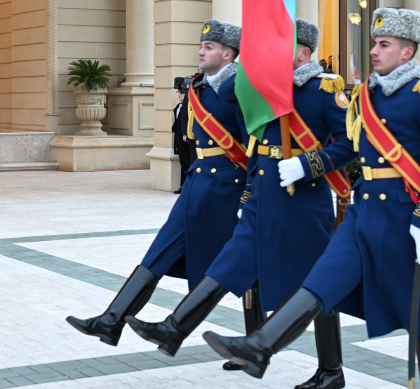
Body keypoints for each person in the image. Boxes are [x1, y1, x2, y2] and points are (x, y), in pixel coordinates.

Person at [203, 8, 420, 387]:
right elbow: (348, 148)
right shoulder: (365, 95)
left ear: (407, 53)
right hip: (364, 211)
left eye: (384, 44)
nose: (374, 51)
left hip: (405, 214)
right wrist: (308, 164)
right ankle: (261, 345)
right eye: (375, 43)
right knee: (322, 279)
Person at [127, 19, 356, 389]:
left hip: (303, 202)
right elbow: (243, 119)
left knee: (317, 285)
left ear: (303, 52)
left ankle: (331, 370)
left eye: (282, 45)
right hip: (262, 197)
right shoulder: (266, 88)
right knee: (227, 264)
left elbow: (350, 143)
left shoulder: (324, 90)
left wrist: (308, 164)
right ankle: (173, 329)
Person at [66, 20, 250, 348]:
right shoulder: (199, 85)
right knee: (159, 251)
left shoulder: (240, 88)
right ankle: (112, 321)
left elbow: (255, 145)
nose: (200, 51)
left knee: (242, 268)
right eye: (202, 45)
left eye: (208, 47)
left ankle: (253, 346)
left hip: (227, 187)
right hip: (197, 183)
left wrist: (249, 196)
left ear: (227, 54)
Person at [171, 77, 196, 194]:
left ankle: (187, 186)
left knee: (188, 163)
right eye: (179, 93)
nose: (179, 95)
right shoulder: (178, 107)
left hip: (188, 141)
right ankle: (183, 185)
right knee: (183, 164)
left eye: (180, 93)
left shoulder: (189, 106)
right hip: (180, 142)